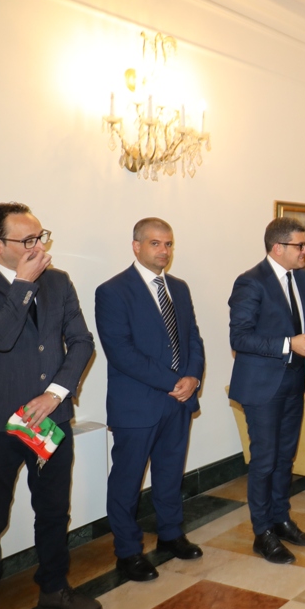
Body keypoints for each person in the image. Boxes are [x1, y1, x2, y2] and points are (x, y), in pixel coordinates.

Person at [0, 203, 99, 609]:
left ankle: (54, 588)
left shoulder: (58, 281)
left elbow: (82, 341)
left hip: (50, 420)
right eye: (27, 240)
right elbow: (0, 339)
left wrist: (55, 393)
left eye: (41, 237)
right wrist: (22, 284)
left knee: (53, 510)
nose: (39, 247)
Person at [95, 218, 205, 583]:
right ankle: (128, 552)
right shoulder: (112, 291)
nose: (164, 250)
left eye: (168, 244)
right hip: (137, 406)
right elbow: (121, 352)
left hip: (178, 403)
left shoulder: (179, 288)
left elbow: (193, 339)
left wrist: (193, 378)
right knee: (127, 482)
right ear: (136, 246)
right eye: (155, 243)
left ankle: (171, 533)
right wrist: (175, 381)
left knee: (170, 475)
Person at [228, 217, 305, 565]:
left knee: (285, 457)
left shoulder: (303, 278)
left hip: (294, 382)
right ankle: (262, 531)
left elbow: (304, 323)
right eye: (300, 245)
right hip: (262, 387)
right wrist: (288, 344)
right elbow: (240, 337)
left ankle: (281, 519)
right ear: (278, 247)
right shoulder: (251, 282)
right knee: (264, 460)